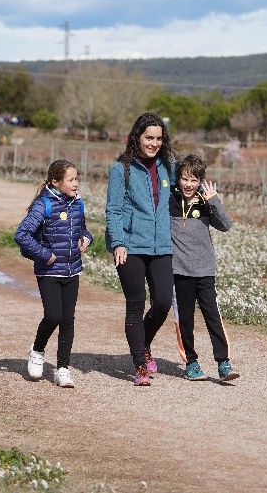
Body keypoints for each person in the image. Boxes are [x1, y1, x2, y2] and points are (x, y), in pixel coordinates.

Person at [105, 112, 175, 386]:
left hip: (162, 246)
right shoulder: (121, 168)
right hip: (131, 246)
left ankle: (143, 344)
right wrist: (118, 242)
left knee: (162, 303)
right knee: (135, 306)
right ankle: (139, 365)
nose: (154, 143)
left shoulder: (169, 165)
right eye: (149, 137)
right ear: (138, 137)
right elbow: (113, 210)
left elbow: (185, 193)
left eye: (158, 138)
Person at [15, 159, 92, 388]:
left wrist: (87, 238)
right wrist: (45, 255)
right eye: (71, 179)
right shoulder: (44, 204)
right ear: (56, 182)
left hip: (72, 269)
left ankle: (62, 369)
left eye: (77, 178)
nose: (76, 183)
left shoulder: (77, 203)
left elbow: (83, 229)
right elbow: (22, 235)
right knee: (53, 316)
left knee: (68, 320)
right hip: (49, 271)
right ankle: (37, 350)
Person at [169, 154, 239, 382]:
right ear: (178, 178)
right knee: (184, 319)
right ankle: (191, 362)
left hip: (205, 270)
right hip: (179, 270)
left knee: (213, 316)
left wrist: (215, 201)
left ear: (200, 181)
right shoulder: (169, 200)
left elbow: (226, 226)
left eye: (193, 180)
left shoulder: (205, 201)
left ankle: (224, 363)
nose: (188, 185)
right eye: (184, 179)